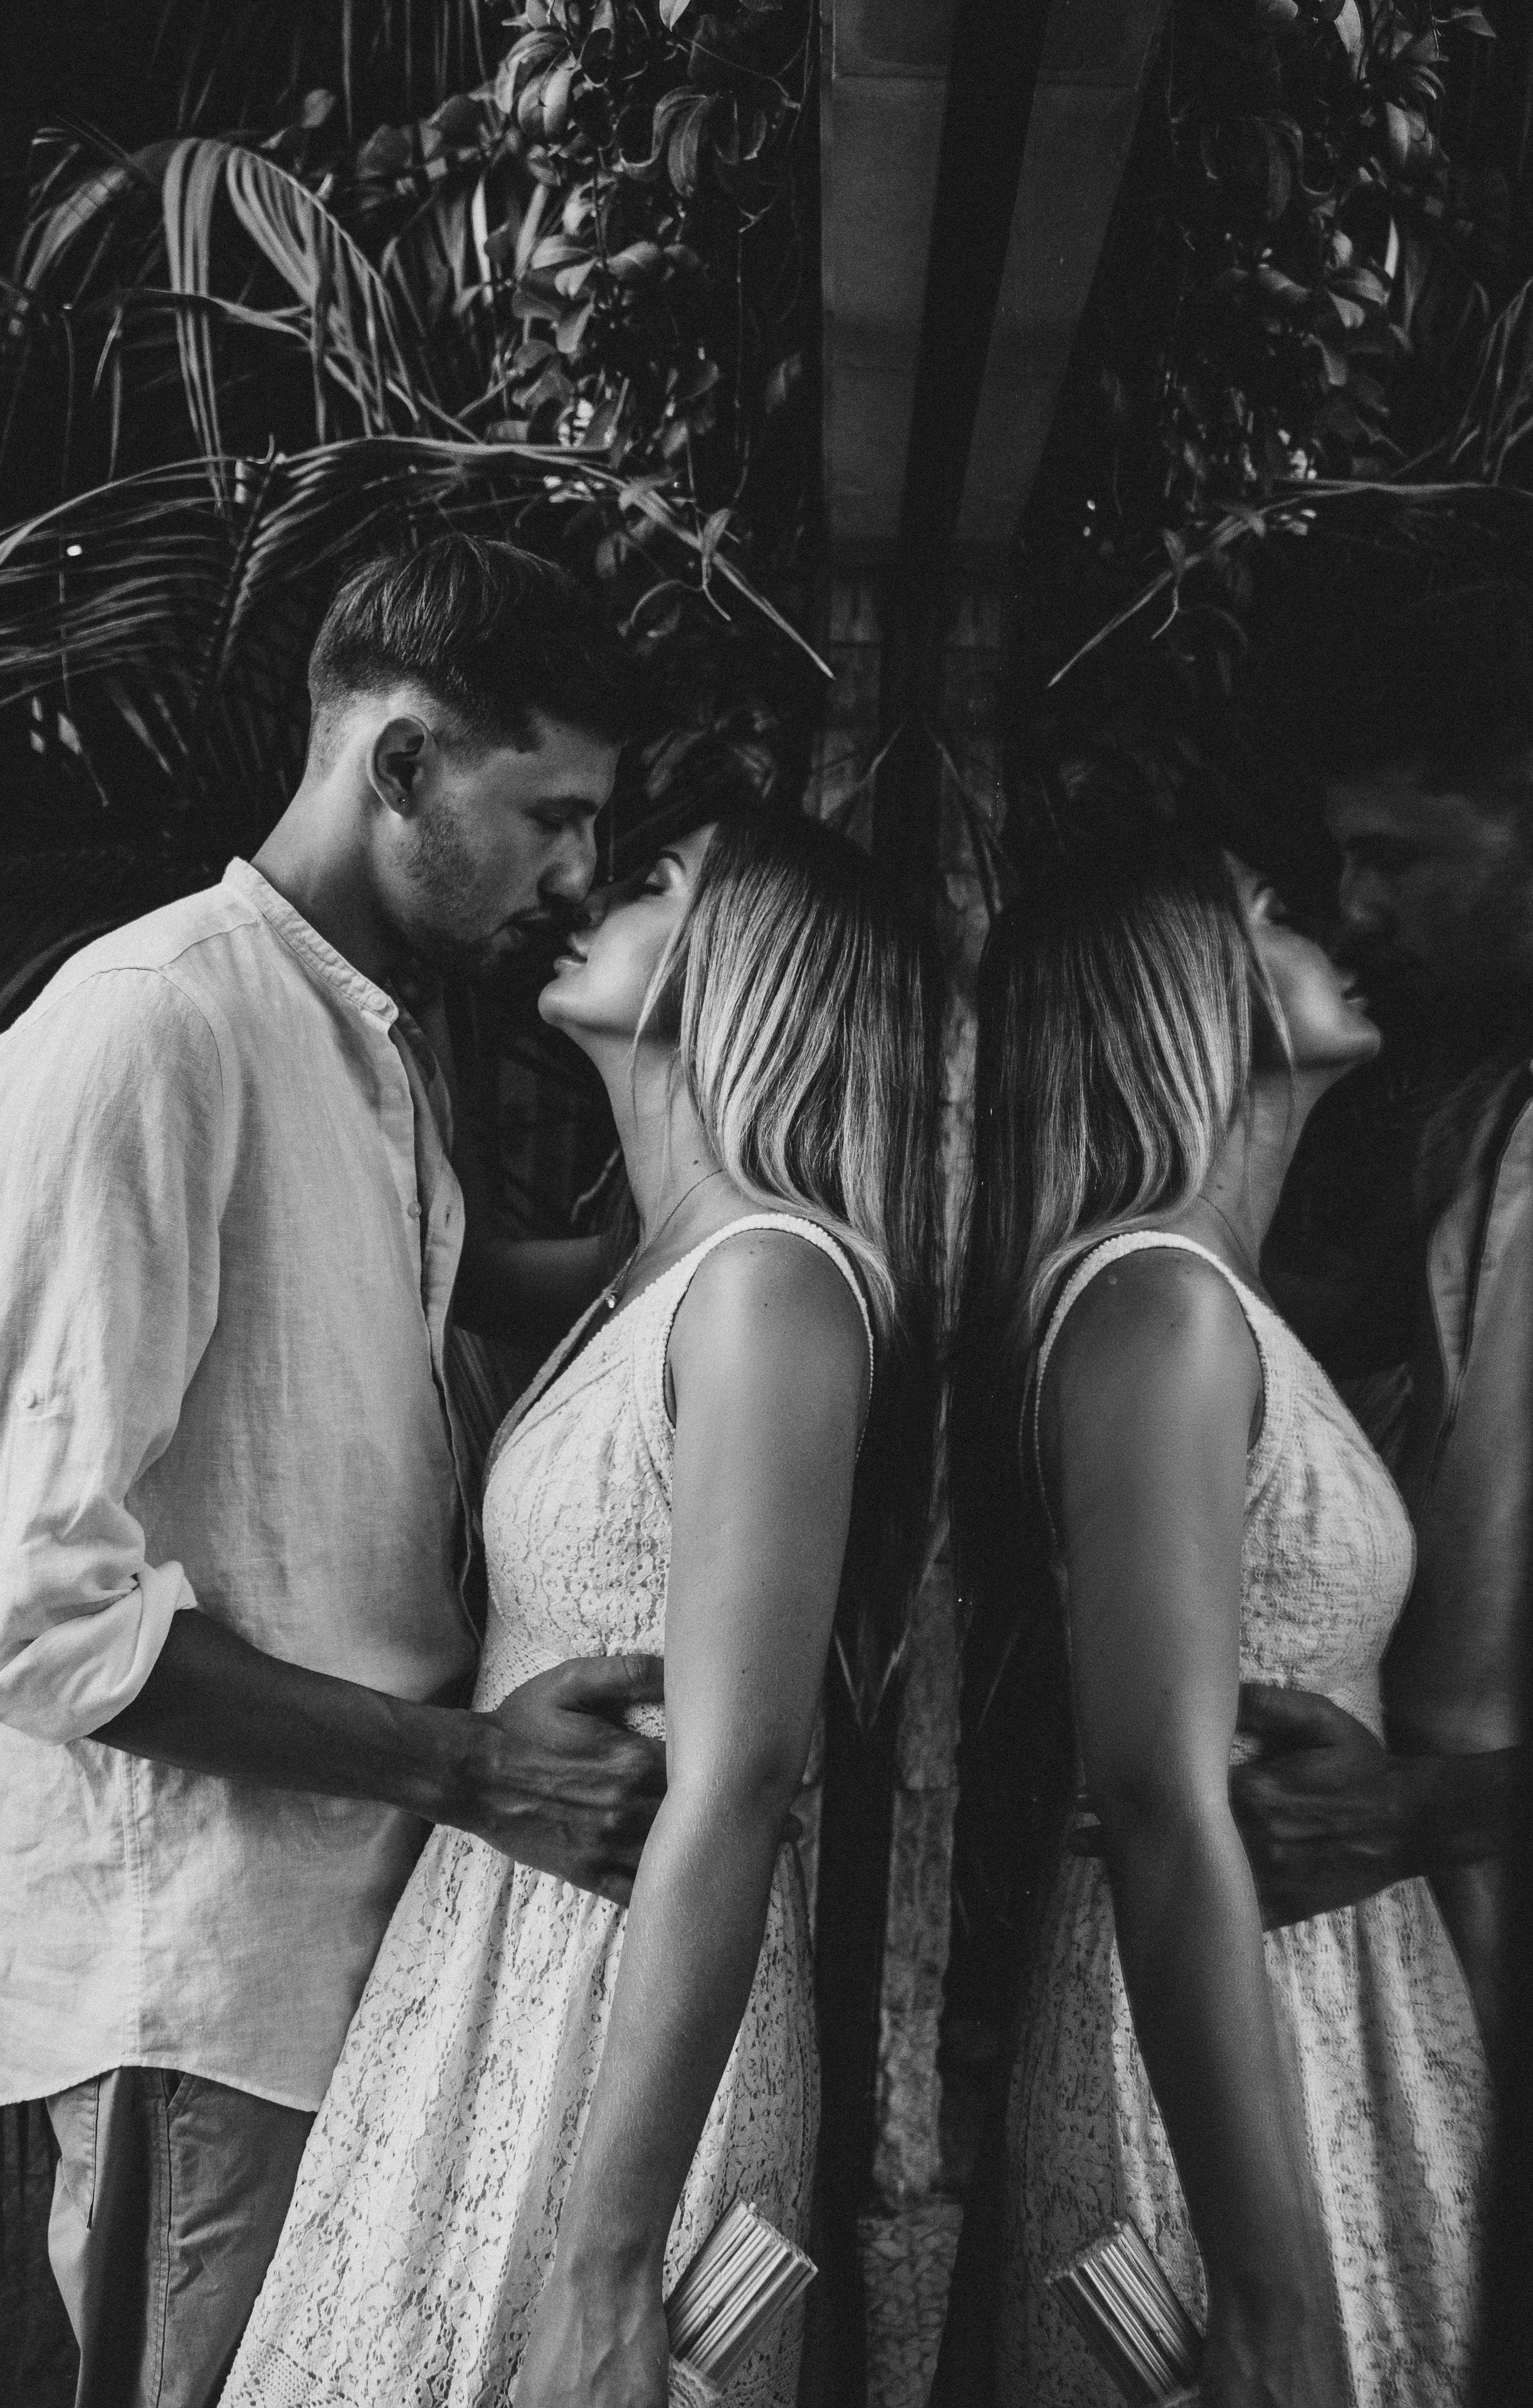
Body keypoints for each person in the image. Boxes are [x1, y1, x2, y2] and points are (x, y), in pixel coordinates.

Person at [0, 535, 673, 2408]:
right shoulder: (157, 1021)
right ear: (399, 763)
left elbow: (401, 1315)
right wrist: (476, 1767)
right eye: (551, 814)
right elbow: (37, 1611)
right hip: (201, 1986)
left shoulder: (363, 1042)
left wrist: (721, 1222)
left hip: (348, 1949)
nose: (577, 874)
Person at [219, 806, 941, 2408]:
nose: (594, 897)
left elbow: (739, 1773)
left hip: (610, 2022)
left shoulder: (770, 1285)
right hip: (487, 1966)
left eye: (658, 883)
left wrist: (608, 2263)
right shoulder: (649, 1268)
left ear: (748, 969)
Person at [952, 812, 1488, 2407]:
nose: (1332, 927)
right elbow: (1152, 1795)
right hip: (1221, 2058)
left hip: (1321, 2001)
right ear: (1175, 987)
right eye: (1270, 910)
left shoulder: (1221, 1303)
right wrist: (1265, 2292)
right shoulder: (1156, 1305)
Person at [1226, 584, 1533, 2039]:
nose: (1354, 908)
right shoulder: (1497, 1115)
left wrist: (1434, 1808)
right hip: (1465, 1958)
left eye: (1397, 855)